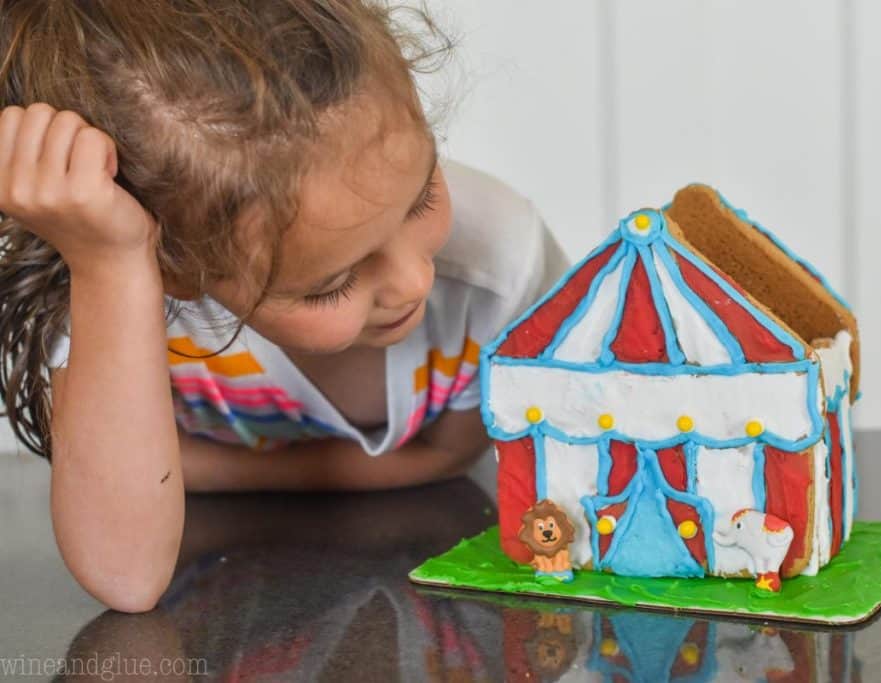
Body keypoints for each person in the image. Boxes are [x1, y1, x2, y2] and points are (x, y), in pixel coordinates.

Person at [0, 1, 566, 613]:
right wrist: (112, 266)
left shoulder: (499, 266)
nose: (412, 281)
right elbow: (126, 576)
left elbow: (456, 455)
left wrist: (206, 473)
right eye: (333, 282)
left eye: (421, 195)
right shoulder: (106, 275)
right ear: (175, 270)